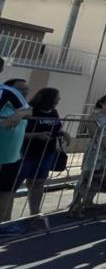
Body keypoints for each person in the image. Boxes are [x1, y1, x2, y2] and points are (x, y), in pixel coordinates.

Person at [68, 94, 106, 216]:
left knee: (101, 177)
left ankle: (89, 201)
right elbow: (95, 135)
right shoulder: (94, 117)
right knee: (87, 177)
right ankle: (75, 204)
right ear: (102, 103)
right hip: (97, 151)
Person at [20, 88, 68, 216]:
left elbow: (56, 128)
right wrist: (36, 135)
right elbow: (18, 132)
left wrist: (63, 133)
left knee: (39, 182)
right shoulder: (30, 111)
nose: (59, 99)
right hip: (27, 152)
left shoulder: (53, 112)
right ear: (49, 98)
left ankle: (35, 213)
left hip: (47, 153)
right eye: (57, 97)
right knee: (16, 183)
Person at [0, 79, 31, 222]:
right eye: (20, 89)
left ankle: (5, 222)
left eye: (26, 89)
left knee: (8, 191)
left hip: (12, 156)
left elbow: (29, 111)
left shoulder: (18, 104)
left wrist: (18, 115)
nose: (24, 92)